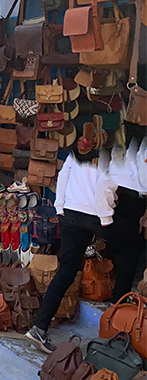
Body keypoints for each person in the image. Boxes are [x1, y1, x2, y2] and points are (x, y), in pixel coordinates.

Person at [26, 138, 147, 353]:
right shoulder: (110, 155)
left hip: (70, 213)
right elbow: (105, 186)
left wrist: (60, 207)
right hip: (93, 215)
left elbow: (63, 176)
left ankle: (39, 327)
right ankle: (115, 317)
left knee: (67, 270)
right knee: (131, 249)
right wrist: (106, 219)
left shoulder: (76, 153)